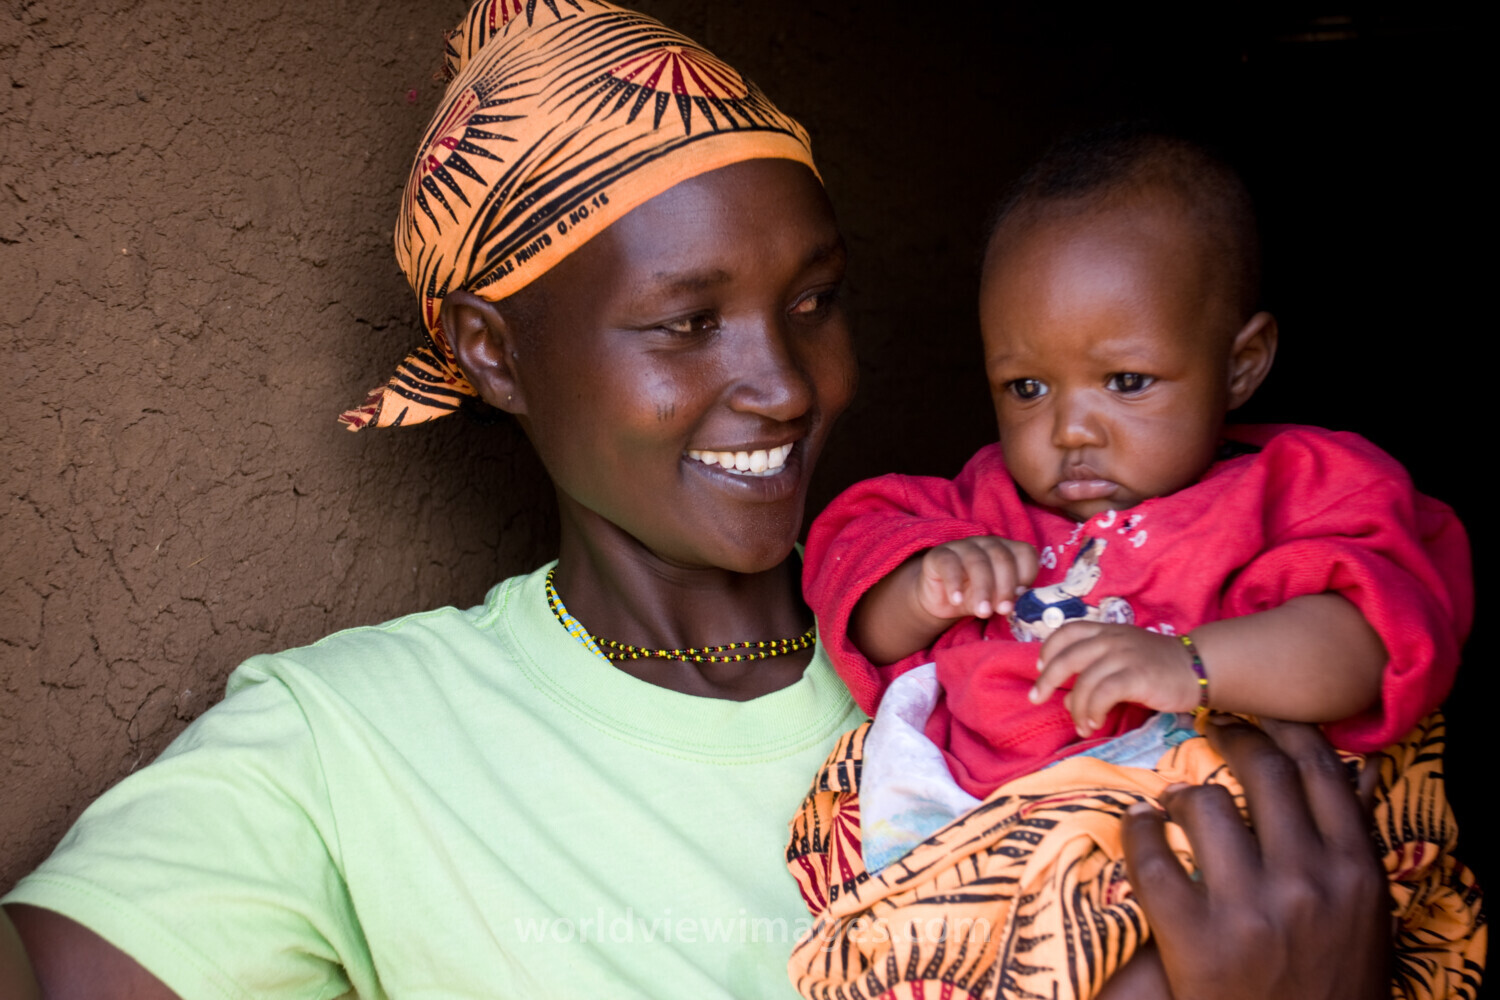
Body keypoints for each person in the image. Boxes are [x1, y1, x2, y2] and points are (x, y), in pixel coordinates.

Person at [0, 9, 1413, 1000]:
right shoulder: (348, 751)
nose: (785, 386)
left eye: (814, 305)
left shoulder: (1031, 617)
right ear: (494, 350)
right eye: (687, 324)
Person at [786, 129, 1483, 998]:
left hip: (1217, 870)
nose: (1070, 429)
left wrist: (1190, 663)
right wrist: (927, 581)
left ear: (1241, 363)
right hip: (995, 867)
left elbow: (1367, 643)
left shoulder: (1293, 491)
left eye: (1125, 381)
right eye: (1027, 388)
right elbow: (855, 587)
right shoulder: (982, 505)